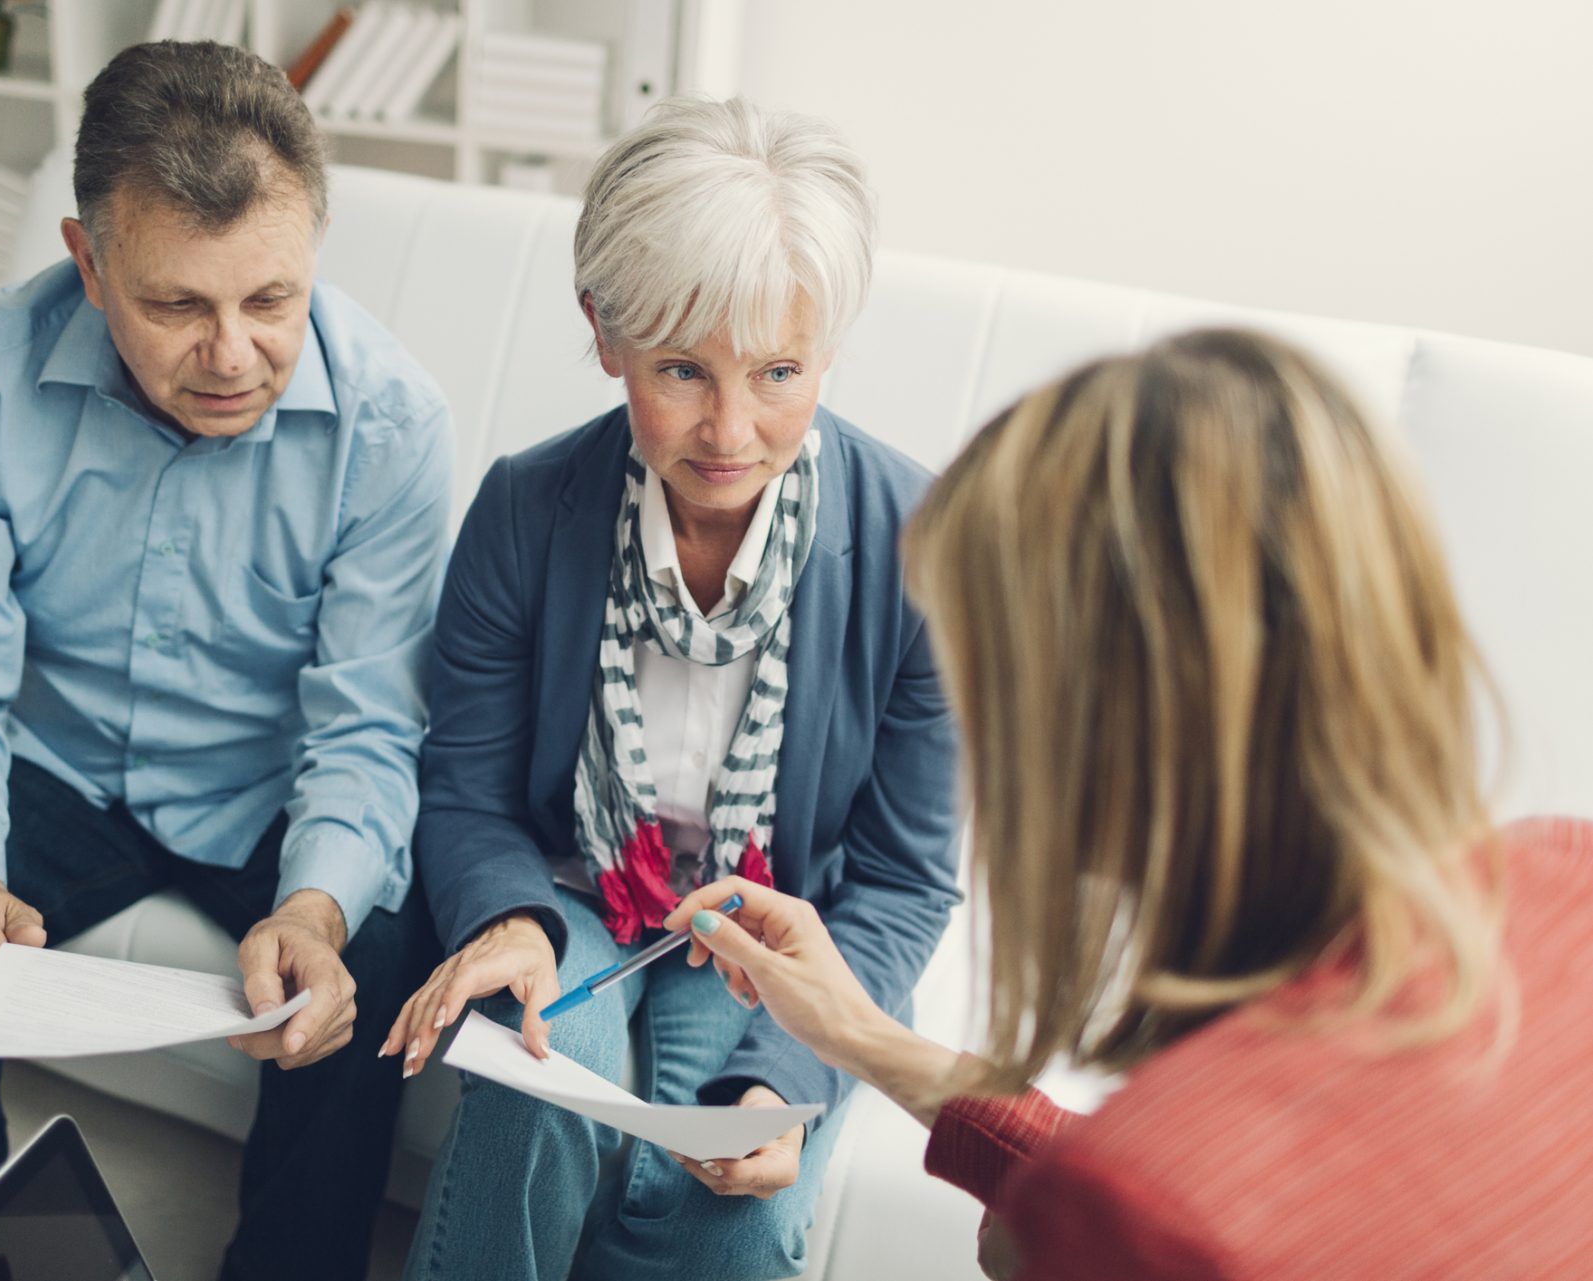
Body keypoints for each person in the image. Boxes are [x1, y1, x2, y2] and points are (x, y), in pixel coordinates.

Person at [669, 327, 1593, 1279]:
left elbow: (1174, 1202)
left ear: (1105, 722)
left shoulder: (1138, 1209)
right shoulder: (1569, 861)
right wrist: (865, 1038)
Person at [0, 42, 448, 1281]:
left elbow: (369, 727)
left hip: (266, 780)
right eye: (178, 304)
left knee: (375, 959)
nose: (232, 356)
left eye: (270, 299)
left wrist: (315, 907)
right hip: (53, 755)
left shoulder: (393, 424)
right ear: (88, 261)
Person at [379, 96, 963, 1281]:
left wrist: (784, 1082)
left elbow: (902, 878)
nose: (731, 430)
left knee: (735, 1213)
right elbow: (468, 786)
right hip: (571, 890)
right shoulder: (524, 507)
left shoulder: (925, 548)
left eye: (780, 371)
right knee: (539, 1077)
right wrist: (507, 922)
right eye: (682, 369)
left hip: (774, 925)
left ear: (830, 345)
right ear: (605, 333)